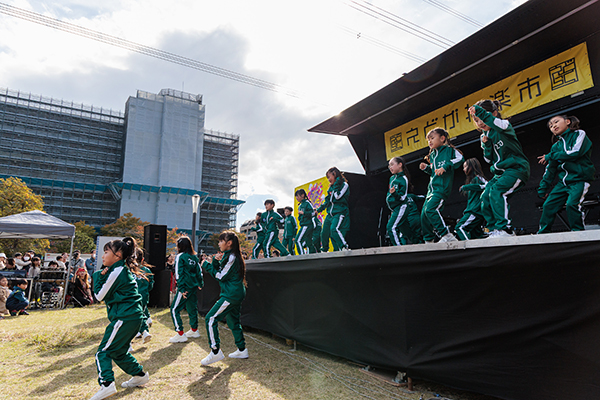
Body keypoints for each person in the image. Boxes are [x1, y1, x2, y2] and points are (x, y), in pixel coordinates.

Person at [90, 237, 149, 400]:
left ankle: (107, 384)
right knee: (119, 352)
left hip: (125, 317)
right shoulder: (120, 270)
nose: (103, 256)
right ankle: (140, 375)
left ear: (117, 255)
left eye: (106, 252)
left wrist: (98, 276)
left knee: (103, 352)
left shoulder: (117, 271)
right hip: (132, 317)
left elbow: (99, 296)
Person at [469, 100, 530, 238]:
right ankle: (493, 229)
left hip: (516, 169)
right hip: (499, 174)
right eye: (476, 120)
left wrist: (479, 111)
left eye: (483, 117)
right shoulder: (483, 136)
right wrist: (487, 146)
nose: (480, 122)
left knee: (497, 191)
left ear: (495, 113)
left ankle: (505, 229)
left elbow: (492, 121)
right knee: (485, 196)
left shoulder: (504, 125)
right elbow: (488, 160)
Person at [537, 115, 595, 233]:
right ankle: (543, 234)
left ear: (567, 121)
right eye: (550, 126)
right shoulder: (555, 146)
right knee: (548, 205)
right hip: (563, 183)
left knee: (572, 204)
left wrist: (550, 156)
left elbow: (575, 152)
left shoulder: (579, 134)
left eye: (556, 122)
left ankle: (578, 232)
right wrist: (543, 188)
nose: (553, 126)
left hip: (579, 179)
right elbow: (550, 169)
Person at [200, 231, 248, 365]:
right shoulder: (229, 255)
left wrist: (206, 265)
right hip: (234, 293)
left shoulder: (232, 257)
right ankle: (242, 349)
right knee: (233, 321)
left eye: (221, 241)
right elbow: (221, 271)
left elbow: (221, 276)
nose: (219, 243)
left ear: (229, 243)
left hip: (231, 294)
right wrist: (215, 262)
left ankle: (215, 351)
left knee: (210, 318)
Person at [419, 128, 464, 243]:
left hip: (441, 188)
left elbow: (460, 159)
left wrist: (445, 166)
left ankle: (447, 235)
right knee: (424, 215)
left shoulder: (449, 151)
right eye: (428, 140)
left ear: (442, 138)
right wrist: (426, 168)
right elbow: (434, 172)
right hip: (431, 190)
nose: (429, 141)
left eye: (432, 138)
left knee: (431, 209)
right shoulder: (433, 155)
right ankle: (429, 241)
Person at [169, 236, 204, 343]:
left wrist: (181, 288)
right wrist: (200, 283)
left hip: (185, 287)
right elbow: (199, 271)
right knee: (192, 308)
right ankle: (194, 330)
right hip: (193, 286)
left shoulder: (180, 256)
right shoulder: (194, 257)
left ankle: (180, 333)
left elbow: (178, 273)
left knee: (174, 309)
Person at [387, 156, 423, 246]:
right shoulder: (392, 178)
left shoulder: (403, 179)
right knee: (405, 231)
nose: (390, 167)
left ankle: (398, 249)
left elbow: (402, 197)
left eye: (392, 164)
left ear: (400, 165)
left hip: (401, 207)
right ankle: (418, 243)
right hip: (395, 208)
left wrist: (394, 194)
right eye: (389, 165)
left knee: (391, 227)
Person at [316, 167, 351, 251]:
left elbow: (337, 196)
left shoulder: (344, 185)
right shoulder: (331, 188)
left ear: (334, 174)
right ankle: (324, 249)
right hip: (330, 214)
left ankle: (344, 246)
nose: (328, 180)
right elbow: (327, 201)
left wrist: (336, 184)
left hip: (339, 212)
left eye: (329, 177)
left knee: (334, 229)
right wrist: (318, 210)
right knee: (324, 232)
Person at [455, 158, 488, 240]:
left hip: (475, 211)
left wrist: (466, 187)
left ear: (472, 166)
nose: (463, 169)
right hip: (475, 211)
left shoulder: (478, 178)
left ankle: (468, 247)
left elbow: (486, 185)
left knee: (459, 227)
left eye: (465, 166)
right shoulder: (473, 180)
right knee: (476, 236)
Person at [133, 248, 154, 344]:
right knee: (141, 313)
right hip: (144, 296)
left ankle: (143, 331)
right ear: (142, 259)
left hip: (133, 296)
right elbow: (151, 285)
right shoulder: (147, 270)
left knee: (135, 315)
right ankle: (141, 330)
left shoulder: (130, 270)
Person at [295, 189, 316, 254]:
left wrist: (304, 213)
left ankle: (301, 256)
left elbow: (313, 213)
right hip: (304, 224)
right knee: (308, 242)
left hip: (307, 225)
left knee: (298, 240)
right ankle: (314, 255)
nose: (296, 198)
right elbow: (300, 216)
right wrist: (300, 217)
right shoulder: (300, 205)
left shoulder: (307, 203)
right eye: (296, 196)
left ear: (302, 195)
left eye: (298, 196)